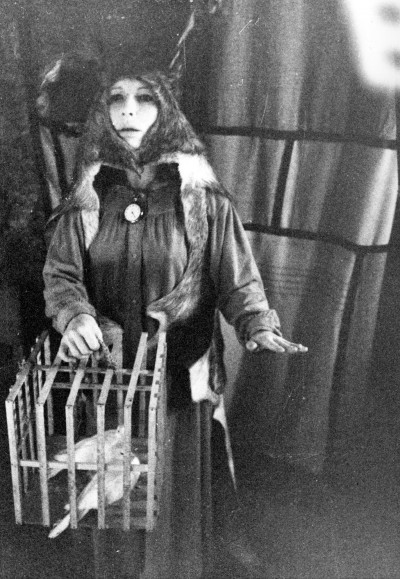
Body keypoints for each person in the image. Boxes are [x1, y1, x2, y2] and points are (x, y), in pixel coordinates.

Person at [41, 52, 307, 578]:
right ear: (102, 114)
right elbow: (62, 275)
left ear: (166, 112)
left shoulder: (202, 199)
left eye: (144, 98)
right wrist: (73, 316)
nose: (129, 110)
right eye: (116, 99)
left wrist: (257, 324)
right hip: (110, 377)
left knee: (168, 496)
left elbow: (237, 278)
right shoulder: (87, 199)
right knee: (113, 495)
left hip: (178, 380)